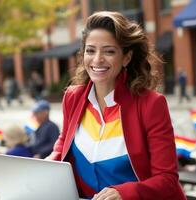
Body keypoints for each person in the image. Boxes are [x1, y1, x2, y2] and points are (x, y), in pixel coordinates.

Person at [48, 11, 186, 200]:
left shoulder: (151, 104)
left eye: (109, 51)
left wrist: (124, 193)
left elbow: (167, 179)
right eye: (90, 50)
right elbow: (63, 145)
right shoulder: (73, 97)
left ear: (126, 58)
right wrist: (44, 169)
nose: (97, 59)